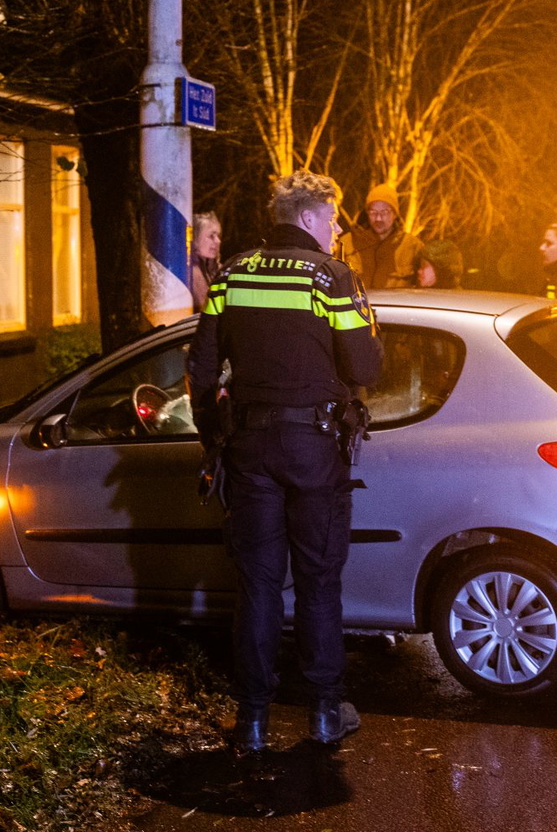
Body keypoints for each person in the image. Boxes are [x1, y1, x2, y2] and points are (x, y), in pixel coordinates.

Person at [186, 170, 383, 753]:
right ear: (306, 218)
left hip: (249, 449)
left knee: (258, 586)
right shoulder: (333, 278)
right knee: (319, 583)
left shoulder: (232, 275)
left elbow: (200, 370)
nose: (339, 226)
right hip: (315, 449)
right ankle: (324, 713)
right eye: (332, 216)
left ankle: (252, 719)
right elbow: (366, 369)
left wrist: (212, 439)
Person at [335, 182, 425, 288]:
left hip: (394, 304)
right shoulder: (346, 244)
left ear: (395, 214)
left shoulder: (413, 247)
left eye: (385, 212)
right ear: (367, 213)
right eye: (373, 212)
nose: (378, 218)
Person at [190, 212, 222, 312]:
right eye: (211, 236)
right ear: (195, 239)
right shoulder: (189, 273)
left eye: (218, 236)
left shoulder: (218, 269)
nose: (218, 241)